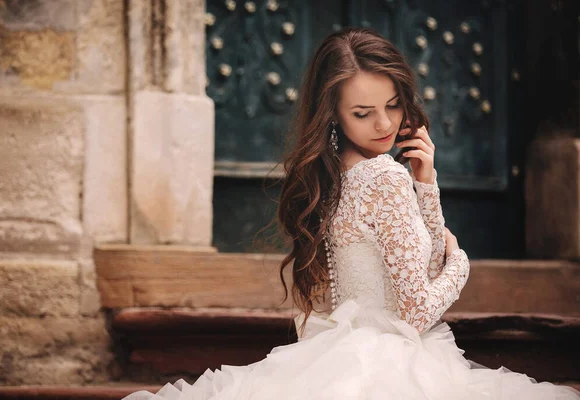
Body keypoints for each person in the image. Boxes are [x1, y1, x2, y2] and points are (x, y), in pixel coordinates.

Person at [124, 27, 580, 399]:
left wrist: (426, 184)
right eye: (364, 113)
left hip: (338, 357)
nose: (384, 125)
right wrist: (461, 263)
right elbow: (418, 310)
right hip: (391, 366)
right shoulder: (383, 177)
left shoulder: (330, 177)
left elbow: (414, 266)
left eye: (393, 105)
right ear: (333, 115)